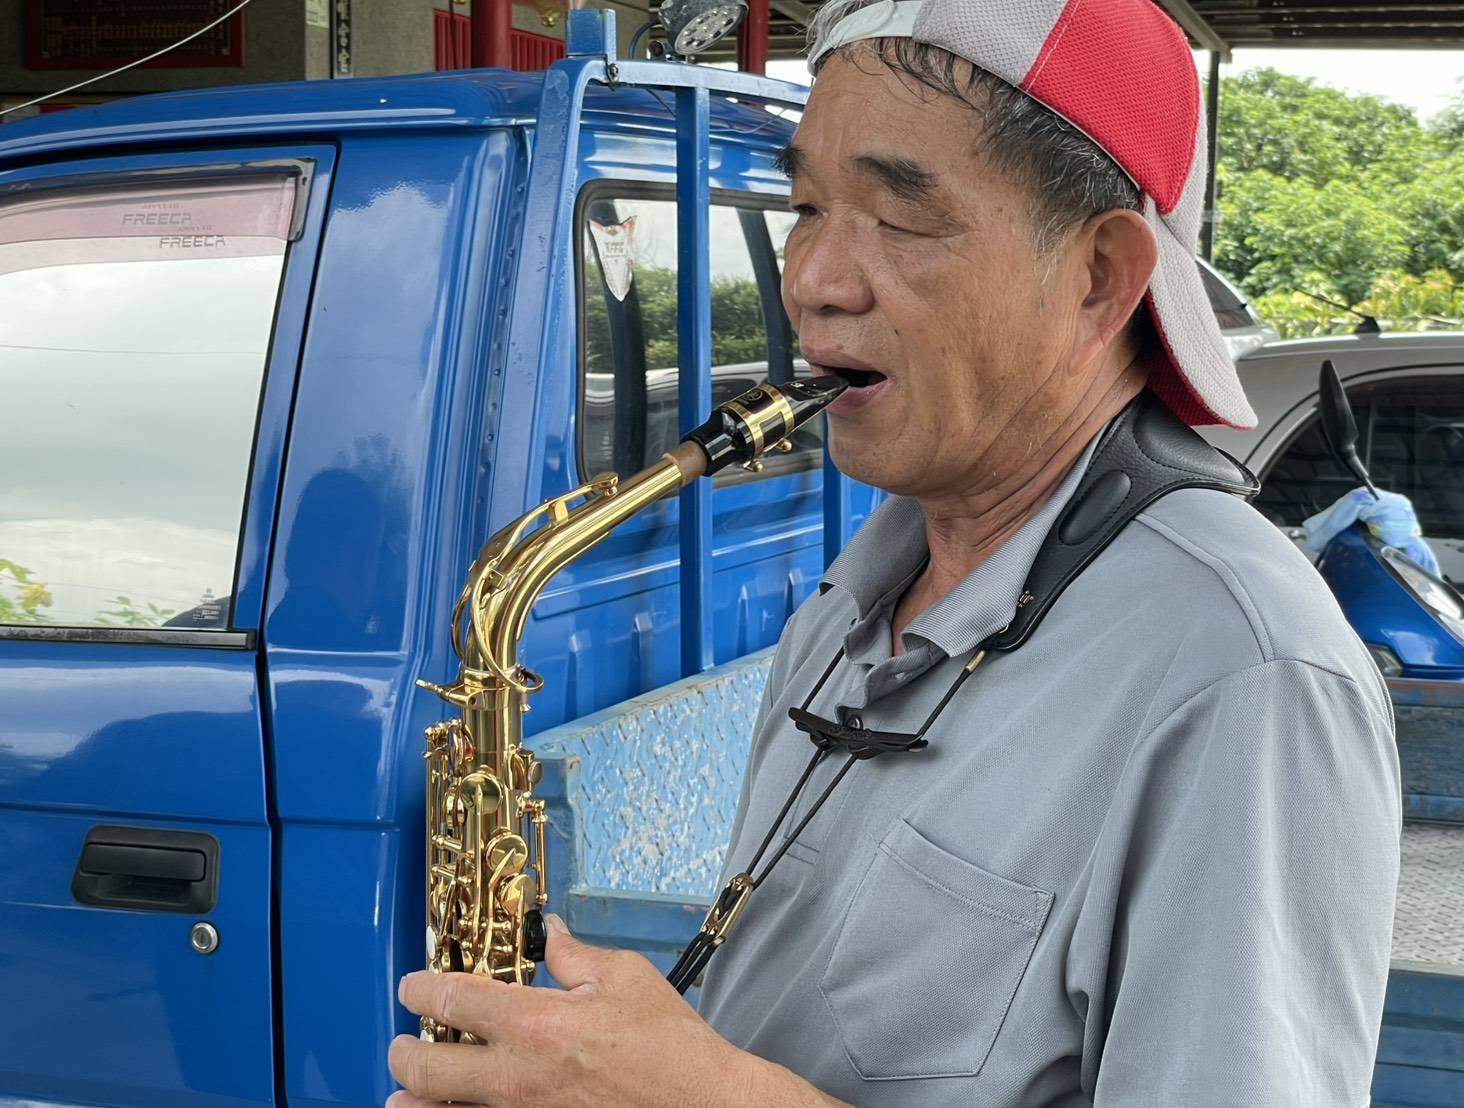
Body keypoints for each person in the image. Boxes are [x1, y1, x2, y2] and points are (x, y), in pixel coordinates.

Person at [388, 1, 1402, 1104]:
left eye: (900, 217)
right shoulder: (847, 604)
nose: (812, 281)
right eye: (806, 208)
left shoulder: (1245, 672)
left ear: (1101, 276)